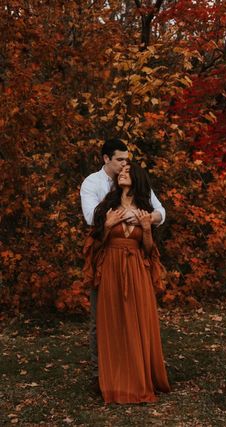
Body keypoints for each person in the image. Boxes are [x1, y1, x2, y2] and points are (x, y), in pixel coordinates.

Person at [80, 138, 166, 388]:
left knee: (136, 317)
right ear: (107, 159)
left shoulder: (138, 185)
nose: (124, 166)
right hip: (106, 259)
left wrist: (144, 220)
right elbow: (90, 219)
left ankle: (137, 368)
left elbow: (161, 213)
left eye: (127, 162)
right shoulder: (93, 184)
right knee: (103, 319)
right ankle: (101, 375)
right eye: (120, 160)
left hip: (134, 262)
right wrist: (109, 223)